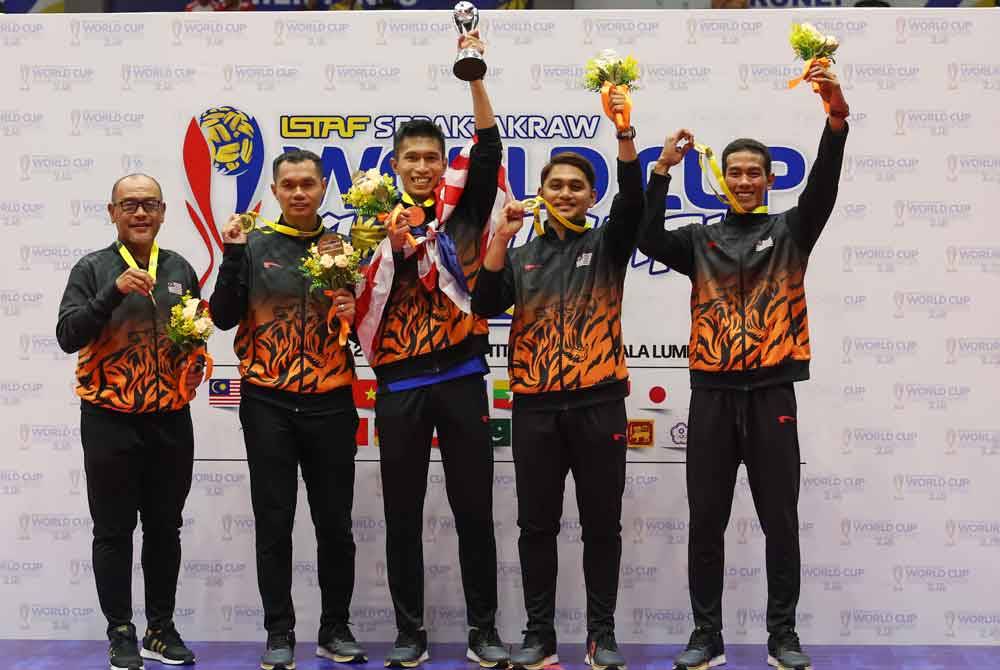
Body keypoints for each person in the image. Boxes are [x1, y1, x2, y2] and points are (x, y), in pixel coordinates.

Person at [638, 65, 850, 670]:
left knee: (780, 522)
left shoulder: (792, 231)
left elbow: (824, 186)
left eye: (755, 172)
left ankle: (782, 636)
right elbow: (646, 237)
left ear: (770, 179)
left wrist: (835, 119)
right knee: (706, 521)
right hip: (711, 396)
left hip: (772, 393)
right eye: (735, 172)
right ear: (720, 179)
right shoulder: (699, 241)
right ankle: (706, 635)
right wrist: (661, 170)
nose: (745, 180)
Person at [470, 90, 642, 670]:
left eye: (576, 186)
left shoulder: (609, 243)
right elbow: (484, 303)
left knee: (602, 526)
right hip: (536, 408)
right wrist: (500, 237)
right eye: (555, 185)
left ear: (592, 196)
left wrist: (624, 135)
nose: (565, 193)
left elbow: (634, 200)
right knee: (536, 526)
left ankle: (601, 636)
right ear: (541, 192)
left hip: (600, 403)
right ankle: (539, 635)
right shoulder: (521, 256)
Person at [353, 30, 507, 669]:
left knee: (474, 510)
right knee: (402, 516)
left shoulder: (463, 214)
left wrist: (475, 77)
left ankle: (483, 630)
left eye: (431, 157)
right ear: (395, 165)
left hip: (463, 374)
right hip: (400, 386)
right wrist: (387, 251)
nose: (421, 166)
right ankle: (409, 632)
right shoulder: (368, 224)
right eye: (411, 157)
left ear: (443, 164)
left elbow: (490, 147)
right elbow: (356, 305)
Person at [209, 150, 363, 670]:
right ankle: (279, 631)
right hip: (267, 400)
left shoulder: (345, 248)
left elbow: (367, 329)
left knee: (335, 524)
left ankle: (335, 628)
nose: (299, 192)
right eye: (289, 185)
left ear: (323, 189)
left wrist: (354, 309)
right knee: (274, 521)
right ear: (274, 191)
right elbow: (223, 317)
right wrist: (232, 254)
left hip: (332, 399)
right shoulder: (253, 244)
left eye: (308, 184)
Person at [56, 174, 203, 670]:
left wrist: (195, 364)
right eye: (130, 205)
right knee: (113, 530)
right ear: (112, 212)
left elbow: (194, 333)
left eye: (150, 205)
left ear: (163, 212)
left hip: (170, 419)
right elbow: (68, 334)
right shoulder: (92, 268)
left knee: (165, 528)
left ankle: (160, 629)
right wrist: (112, 292)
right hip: (109, 419)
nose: (140, 213)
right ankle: (120, 630)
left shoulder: (180, 268)